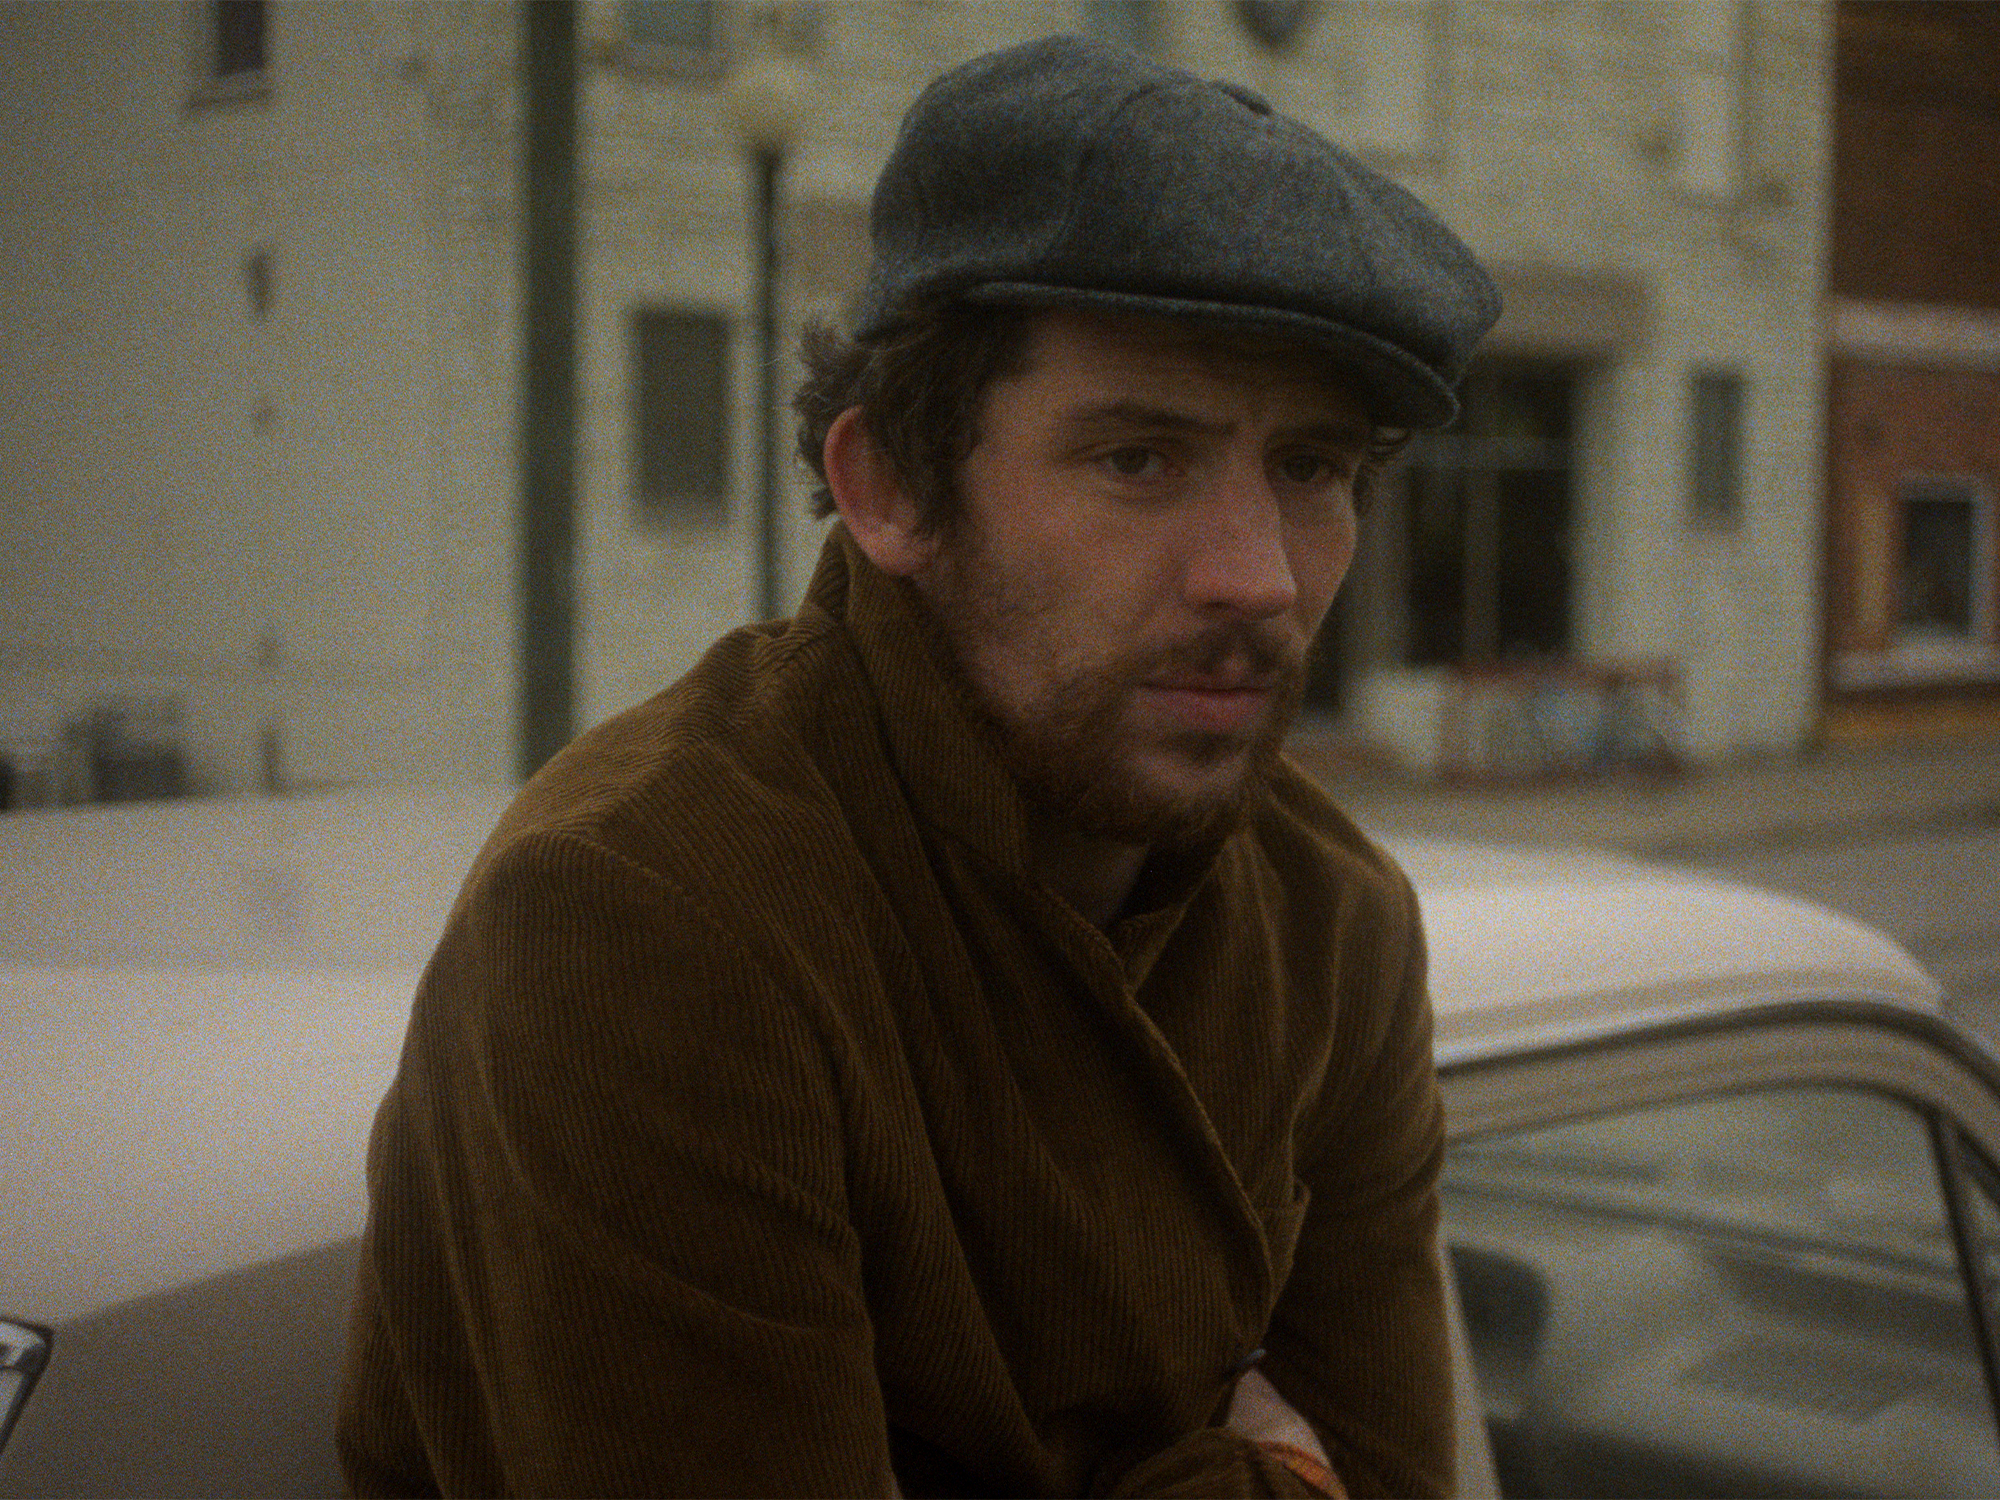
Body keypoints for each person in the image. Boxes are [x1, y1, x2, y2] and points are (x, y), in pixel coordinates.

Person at [338, 34, 1498, 1499]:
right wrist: (1272, 1478)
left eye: (1313, 469)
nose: (1259, 576)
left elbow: (1398, 1473)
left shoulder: (1330, 920)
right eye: (1139, 459)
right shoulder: (650, 915)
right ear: (887, 486)